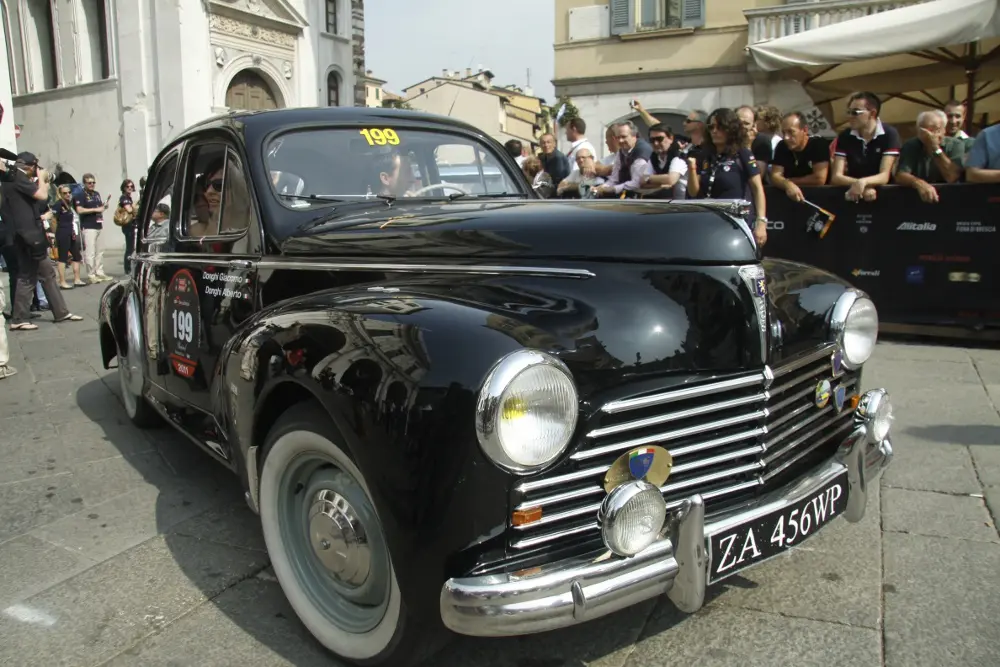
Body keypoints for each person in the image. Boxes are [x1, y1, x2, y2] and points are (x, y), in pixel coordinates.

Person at [0, 152, 84, 330]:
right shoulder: (18, 177)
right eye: (35, 168)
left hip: (26, 233)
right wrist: (43, 179)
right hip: (28, 234)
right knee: (27, 276)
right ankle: (19, 319)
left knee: (46, 274)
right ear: (31, 166)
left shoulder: (13, 180)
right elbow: (42, 196)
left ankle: (60, 312)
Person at [687, 108, 768, 247]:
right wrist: (692, 169)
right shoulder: (705, 155)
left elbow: (757, 188)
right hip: (708, 222)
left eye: (720, 127)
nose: (714, 131)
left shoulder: (742, 153)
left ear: (731, 129)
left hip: (735, 225)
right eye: (711, 127)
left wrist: (761, 222)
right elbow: (693, 192)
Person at [830, 92, 900, 202]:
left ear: (872, 113)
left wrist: (862, 183)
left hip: (885, 196)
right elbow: (836, 177)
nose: (850, 116)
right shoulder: (845, 136)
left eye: (855, 112)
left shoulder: (889, 134)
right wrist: (861, 185)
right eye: (848, 112)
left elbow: (884, 176)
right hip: (854, 195)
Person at [52, 185, 84, 288]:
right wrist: (54, 234)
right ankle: (62, 282)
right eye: (65, 193)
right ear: (60, 194)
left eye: (69, 192)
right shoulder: (58, 205)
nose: (68, 195)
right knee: (63, 258)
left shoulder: (69, 204)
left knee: (76, 255)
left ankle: (77, 279)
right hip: (62, 232)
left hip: (71, 231)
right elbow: (53, 220)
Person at [117, 179, 137, 272]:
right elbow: (129, 210)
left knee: (132, 247)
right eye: (127, 186)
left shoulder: (129, 198)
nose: (130, 188)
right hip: (127, 225)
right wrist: (135, 207)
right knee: (129, 248)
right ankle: (128, 269)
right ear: (124, 188)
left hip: (131, 224)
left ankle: (130, 267)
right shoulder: (124, 197)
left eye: (131, 186)